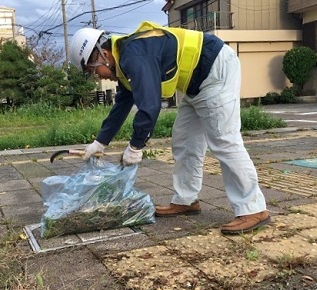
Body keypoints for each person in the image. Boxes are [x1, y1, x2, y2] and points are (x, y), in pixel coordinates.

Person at [68, 21, 269, 234]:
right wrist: (99, 142)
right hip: (196, 82)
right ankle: (186, 200)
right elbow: (122, 104)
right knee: (184, 141)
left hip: (215, 68)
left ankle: (253, 208)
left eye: (93, 69)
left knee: (224, 139)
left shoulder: (133, 56)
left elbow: (150, 105)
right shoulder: (124, 60)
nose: (97, 76)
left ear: (103, 54)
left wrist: (135, 147)